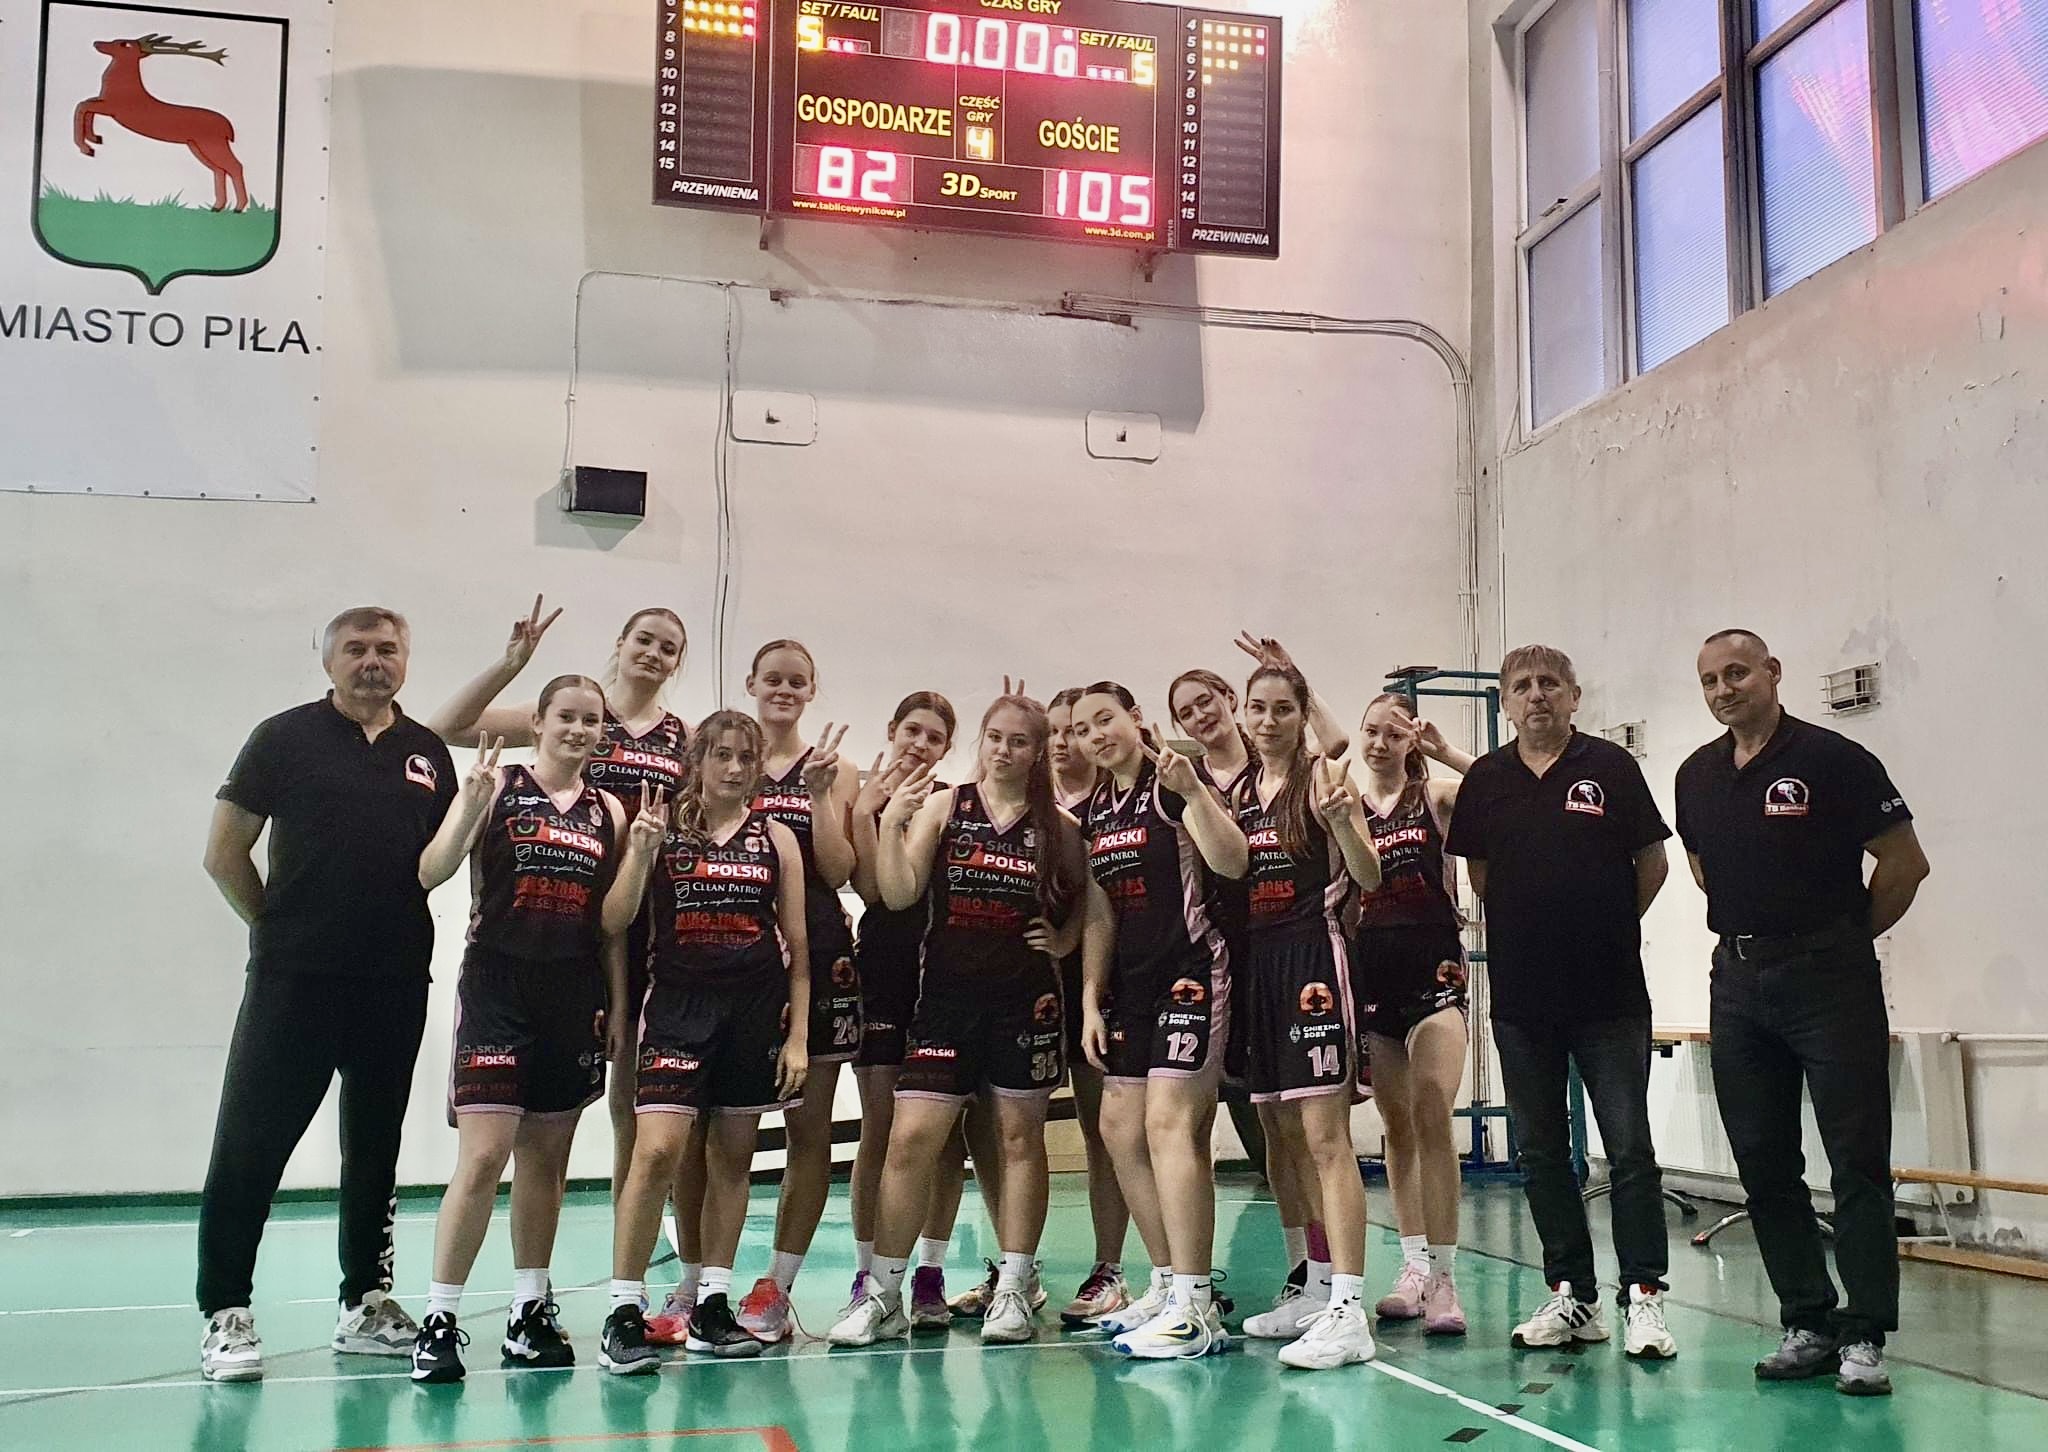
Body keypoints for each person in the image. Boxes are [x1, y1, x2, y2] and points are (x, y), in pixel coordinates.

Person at [197, 607, 456, 1382]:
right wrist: (277, 930)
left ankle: (364, 1304)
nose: (373, 660)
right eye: (357, 648)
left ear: (405, 659)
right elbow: (224, 853)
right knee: (250, 1145)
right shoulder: (282, 738)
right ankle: (226, 1312)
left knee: (375, 1148)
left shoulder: (427, 753)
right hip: (294, 982)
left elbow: (439, 857)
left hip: (394, 982)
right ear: (329, 660)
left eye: (387, 648)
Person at [1678, 630, 1929, 1396]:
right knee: (1764, 1163)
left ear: (1773, 672)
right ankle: (1808, 1323)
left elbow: (1905, 862)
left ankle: (1865, 1335)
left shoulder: (1834, 760)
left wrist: (1842, 941)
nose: (1724, 689)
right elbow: (1703, 870)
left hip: (1831, 983)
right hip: (1738, 985)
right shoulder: (1696, 775)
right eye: (1710, 680)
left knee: (1856, 1162)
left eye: (1737, 673)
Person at [828, 694, 1095, 1347]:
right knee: (910, 1140)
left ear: (1037, 752)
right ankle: (884, 1294)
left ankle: (1014, 1287)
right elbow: (899, 892)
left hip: (1024, 1003)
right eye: (995, 737)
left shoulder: (1058, 826)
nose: (1004, 750)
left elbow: (1093, 896)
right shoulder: (948, 807)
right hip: (944, 1003)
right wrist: (892, 826)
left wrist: (1065, 939)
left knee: (1018, 1142)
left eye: (1019, 741)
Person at [1443, 645, 1677, 1361]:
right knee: (1541, 1151)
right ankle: (1573, 1294)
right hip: (1523, 1000)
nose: (1537, 695)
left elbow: (1653, 863)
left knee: (1629, 1149)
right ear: (1505, 703)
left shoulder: (1611, 767)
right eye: (1522, 686)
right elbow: (1481, 876)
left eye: (1550, 684)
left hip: (1611, 997)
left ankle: (1643, 1295)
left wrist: (1602, 928)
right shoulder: (1486, 780)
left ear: (1574, 696)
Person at [426, 599, 692, 1209]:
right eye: (644, 639)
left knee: (636, 1100)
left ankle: (634, 1240)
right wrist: (511, 662)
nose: (653, 654)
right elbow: (449, 726)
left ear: (677, 663)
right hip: (558, 922)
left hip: (642, 916)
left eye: (668, 648)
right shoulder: (577, 711)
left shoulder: (685, 736)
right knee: (530, 1127)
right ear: (621, 642)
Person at [408, 676, 629, 1384]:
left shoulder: (610, 811)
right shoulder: (498, 784)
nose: (579, 730)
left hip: (573, 994)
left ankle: (528, 1312)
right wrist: (467, 808)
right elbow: (430, 870)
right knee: (483, 1157)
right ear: (538, 722)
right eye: (567, 716)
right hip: (497, 986)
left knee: (545, 1161)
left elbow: (612, 926)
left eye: (591, 721)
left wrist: (620, 1006)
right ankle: (439, 1318)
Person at [597, 710, 811, 1372]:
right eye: (722, 754)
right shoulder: (660, 828)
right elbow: (614, 918)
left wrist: (800, 1037)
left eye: (747, 756)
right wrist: (639, 852)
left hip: (754, 1011)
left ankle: (713, 1304)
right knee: (657, 1151)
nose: (736, 767)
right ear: (697, 761)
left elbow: (799, 948)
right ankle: (623, 1310)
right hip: (676, 1009)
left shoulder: (776, 838)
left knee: (732, 1159)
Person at [1070, 682, 1248, 1357]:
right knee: (1118, 1127)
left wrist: (1196, 793)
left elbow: (1233, 861)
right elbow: (1099, 910)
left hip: (1193, 971)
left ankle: (1197, 1308)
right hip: (1131, 986)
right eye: (1083, 729)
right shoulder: (1098, 808)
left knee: (1170, 1125)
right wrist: (1091, 996)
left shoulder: (1173, 781)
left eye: (1105, 720)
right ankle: (1169, 1282)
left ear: (1135, 718)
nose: (1096, 736)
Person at [1230, 665, 1384, 1371]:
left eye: (1282, 709)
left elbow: (1369, 874)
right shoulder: (1238, 793)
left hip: (1313, 960)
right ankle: (1314, 1283)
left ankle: (1350, 1308)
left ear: (1301, 715)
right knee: (1280, 1135)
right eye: (1257, 708)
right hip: (1256, 966)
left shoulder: (1323, 777)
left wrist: (1346, 823)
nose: (1268, 721)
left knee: (1325, 1139)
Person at [1346, 694, 1474, 1336]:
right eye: (1371, 731)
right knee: (1396, 1124)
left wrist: (1443, 749)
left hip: (1434, 967)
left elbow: (1501, 786)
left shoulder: (1437, 796)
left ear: (1409, 742)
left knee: (1431, 1111)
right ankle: (1414, 1265)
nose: (1379, 743)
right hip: (1372, 972)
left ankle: (1446, 1278)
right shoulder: (1345, 805)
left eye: (1393, 735)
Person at [847, 692, 972, 1330]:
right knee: (880, 1130)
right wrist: (870, 817)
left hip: (945, 978)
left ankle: (930, 1273)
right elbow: (876, 891)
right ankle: (869, 1275)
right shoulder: (862, 798)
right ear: (892, 730)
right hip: (884, 973)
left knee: (942, 1136)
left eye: (934, 737)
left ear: (946, 749)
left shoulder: (952, 804)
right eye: (912, 731)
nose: (920, 744)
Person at [1045, 685, 1133, 1326]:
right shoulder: (1029, 802)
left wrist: (1071, 938)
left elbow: (1098, 898)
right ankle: (1013, 1269)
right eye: (1055, 730)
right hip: (1030, 985)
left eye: (1072, 729)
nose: (1062, 741)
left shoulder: (1116, 801)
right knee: (1012, 1131)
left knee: (1108, 1132)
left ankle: (1113, 1267)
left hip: (1112, 980)